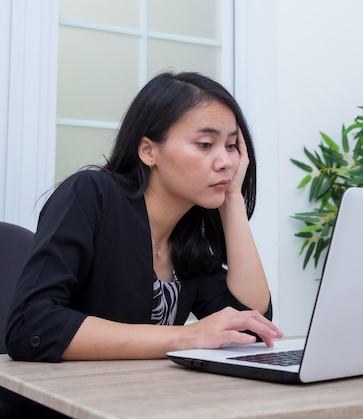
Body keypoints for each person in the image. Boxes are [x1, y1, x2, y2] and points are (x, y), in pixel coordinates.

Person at [6, 71, 282, 362]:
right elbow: (31, 326)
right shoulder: (91, 195)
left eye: (230, 146)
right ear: (149, 151)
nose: (225, 162)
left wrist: (232, 200)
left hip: (143, 399)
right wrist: (186, 336)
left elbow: (250, 328)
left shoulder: (188, 236)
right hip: (64, 400)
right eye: (205, 144)